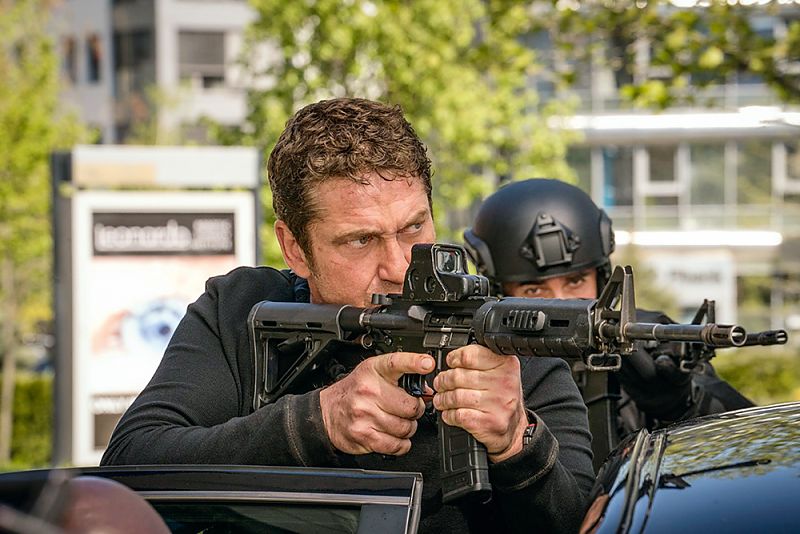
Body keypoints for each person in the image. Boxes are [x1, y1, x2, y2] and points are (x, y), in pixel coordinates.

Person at [102, 99, 595, 533]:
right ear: (295, 248)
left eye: (413, 228)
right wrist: (316, 422)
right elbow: (128, 467)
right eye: (361, 240)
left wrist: (517, 444)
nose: (399, 266)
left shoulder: (502, 337)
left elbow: (577, 520)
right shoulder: (240, 310)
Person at [463, 178, 754, 467]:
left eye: (576, 281)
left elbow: (754, 448)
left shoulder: (650, 341)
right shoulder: (478, 368)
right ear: (500, 294)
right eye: (534, 291)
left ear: (602, 278)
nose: (561, 303)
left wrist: (685, 404)